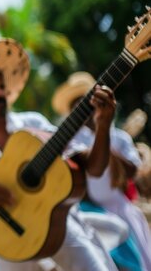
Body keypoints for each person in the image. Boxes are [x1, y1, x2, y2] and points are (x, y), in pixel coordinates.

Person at [0, 39, 118, 270]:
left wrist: (103, 126)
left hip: (56, 224)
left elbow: (93, 169)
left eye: (1, 87)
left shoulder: (32, 124)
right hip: (7, 235)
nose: (0, 93)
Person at [52, 71, 151, 270]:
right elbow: (87, 173)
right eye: (76, 108)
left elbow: (132, 172)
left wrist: (104, 136)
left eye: (85, 104)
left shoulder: (119, 137)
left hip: (123, 210)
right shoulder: (73, 143)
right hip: (93, 214)